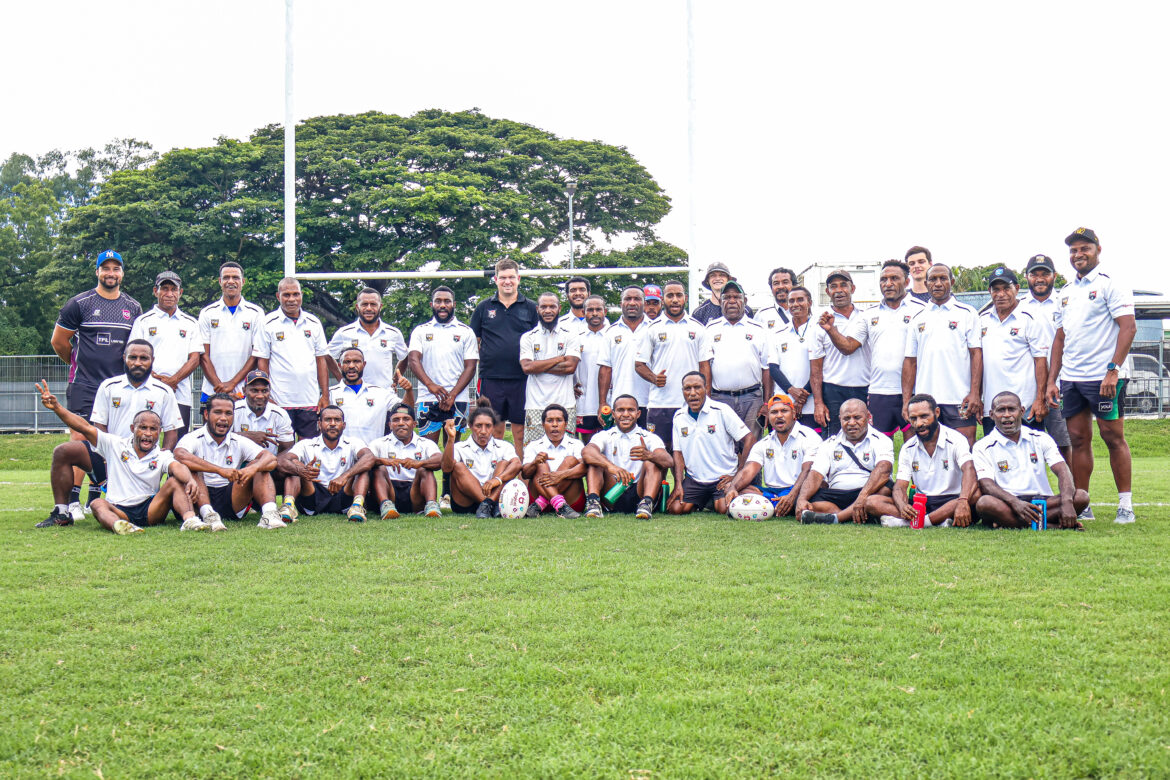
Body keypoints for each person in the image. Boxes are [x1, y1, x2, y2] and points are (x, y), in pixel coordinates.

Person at [1046, 227, 1137, 524]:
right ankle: (1083, 501)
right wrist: (1052, 381)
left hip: (1103, 378)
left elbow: (1128, 327)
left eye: (1084, 248)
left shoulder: (1112, 284)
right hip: (1071, 379)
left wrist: (1113, 370)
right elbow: (1060, 338)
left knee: (1113, 437)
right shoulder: (1066, 292)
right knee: (1078, 440)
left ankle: (1125, 505)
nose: (1078, 255)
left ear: (1098, 249)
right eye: (1073, 251)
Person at [35, 381, 203, 534]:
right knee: (97, 504)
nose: (147, 433)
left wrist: (189, 479)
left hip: (150, 509)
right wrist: (57, 408)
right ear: (132, 428)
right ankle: (122, 527)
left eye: (153, 429)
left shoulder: (161, 454)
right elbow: (84, 427)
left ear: (159, 432)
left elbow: (177, 467)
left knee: (174, 482)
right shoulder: (115, 444)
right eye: (142, 427)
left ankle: (190, 520)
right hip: (119, 509)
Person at [51, 249, 143, 512]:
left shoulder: (133, 307)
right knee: (80, 438)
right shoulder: (79, 304)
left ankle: (96, 495)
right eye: (106, 268)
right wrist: (79, 363)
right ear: (97, 272)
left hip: (118, 387)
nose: (110, 273)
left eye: (116, 269)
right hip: (85, 384)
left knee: (111, 439)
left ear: (122, 274)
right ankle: (72, 501)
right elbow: (58, 342)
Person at [973, 391, 1088, 530]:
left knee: (1081, 497)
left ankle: (1010, 523)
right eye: (1001, 410)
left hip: (1043, 502)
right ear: (991, 415)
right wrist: (1015, 503)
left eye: (1012, 409)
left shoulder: (1040, 438)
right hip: (1008, 503)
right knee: (985, 503)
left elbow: (1063, 470)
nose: (1007, 415)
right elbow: (986, 484)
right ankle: (1053, 526)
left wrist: (1067, 502)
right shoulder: (982, 446)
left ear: (1021, 411)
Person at [174, 393, 283, 530]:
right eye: (218, 412)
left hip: (231, 497)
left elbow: (271, 459)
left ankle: (270, 514)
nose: (223, 418)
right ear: (207, 415)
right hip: (198, 496)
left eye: (228, 413)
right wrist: (219, 470)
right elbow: (180, 455)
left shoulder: (238, 440)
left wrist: (252, 469)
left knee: (261, 467)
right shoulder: (193, 437)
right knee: (192, 468)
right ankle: (208, 515)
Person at [902, 263, 983, 446]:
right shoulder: (917, 317)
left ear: (951, 282)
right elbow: (910, 362)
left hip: (959, 398)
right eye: (933, 279)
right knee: (928, 450)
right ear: (926, 283)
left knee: (964, 449)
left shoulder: (967, 313)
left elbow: (976, 354)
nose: (938, 283)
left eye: (943, 278)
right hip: (926, 400)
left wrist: (975, 393)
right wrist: (907, 401)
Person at [869, 394, 977, 528]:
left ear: (936, 413)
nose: (919, 423)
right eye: (913, 418)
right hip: (921, 503)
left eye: (924, 416)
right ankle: (936, 521)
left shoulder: (956, 439)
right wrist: (902, 506)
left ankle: (921, 522)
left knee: (976, 494)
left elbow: (969, 469)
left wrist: (963, 500)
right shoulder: (908, 447)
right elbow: (900, 486)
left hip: (952, 499)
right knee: (872, 502)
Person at [470, 258, 538, 454]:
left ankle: (520, 480)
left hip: (523, 378)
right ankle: (494, 474)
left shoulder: (531, 307)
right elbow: (474, 339)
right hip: (491, 377)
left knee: (520, 430)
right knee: (494, 428)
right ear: (495, 279)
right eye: (503, 278)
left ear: (518, 279)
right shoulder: (484, 307)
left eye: (511, 277)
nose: (507, 281)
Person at [850, 260, 924, 437]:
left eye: (894, 278)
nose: (888, 284)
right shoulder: (869, 314)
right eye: (883, 279)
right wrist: (830, 330)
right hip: (879, 391)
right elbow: (849, 346)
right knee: (880, 448)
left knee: (916, 448)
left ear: (907, 282)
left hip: (915, 390)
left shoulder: (922, 311)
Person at [635, 279, 709, 451]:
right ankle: (661, 480)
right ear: (663, 300)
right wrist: (654, 378)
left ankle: (684, 480)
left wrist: (707, 396)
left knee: (691, 451)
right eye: (670, 296)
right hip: (660, 403)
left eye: (678, 295)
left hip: (692, 401)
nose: (674, 300)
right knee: (659, 453)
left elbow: (704, 365)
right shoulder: (651, 329)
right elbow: (639, 364)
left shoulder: (698, 328)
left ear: (685, 298)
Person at [667, 372, 755, 515]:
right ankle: (707, 500)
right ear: (682, 391)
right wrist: (678, 484)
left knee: (724, 508)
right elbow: (678, 453)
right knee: (675, 509)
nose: (692, 393)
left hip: (722, 477)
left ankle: (743, 491)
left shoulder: (721, 410)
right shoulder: (679, 417)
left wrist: (738, 473)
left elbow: (749, 438)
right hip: (695, 479)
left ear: (706, 388)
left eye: (697, 387)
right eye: (687, 389)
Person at [253, 277, 331, 439]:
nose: (291, 299)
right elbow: (262, 361)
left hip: (309, 400)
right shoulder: (267, 323)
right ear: (278, 296)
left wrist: (325, 395)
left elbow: (321, 360)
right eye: (286, 295)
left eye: (296, 294)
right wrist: (269, 395)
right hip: (280, 400)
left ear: (301, 295)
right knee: (281, 448)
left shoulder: (313, 322)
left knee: (309, 449)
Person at [796, 399, 894, 525]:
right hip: (837, 495)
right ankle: (857, 515)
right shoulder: (829, 444)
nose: (852, 423)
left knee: (887, 487)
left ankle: (838, 517)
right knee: (811, 498)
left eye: (857, 417)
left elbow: (884, 469)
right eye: (846, 418)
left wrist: (863, 496)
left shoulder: (882, 440)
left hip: (868, 492)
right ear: (840, 419)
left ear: (868, 417)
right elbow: (815, 475)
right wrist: (802, 499)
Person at [129, 270, 202, 437]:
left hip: (179, 393)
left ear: (180, 293)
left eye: (173, 289)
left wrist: (173, 381)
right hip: (147, 390)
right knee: (144, 438)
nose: (169, 294)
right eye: (164, 289)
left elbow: (195, 358)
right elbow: (134, 356)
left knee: (177, 442)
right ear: (156, 291)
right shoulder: (143, 321)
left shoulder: (191, 323)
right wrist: (156, 381)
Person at [726, 393, 820, 518]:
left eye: (784, 411)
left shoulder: (809, 436)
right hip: (771, 492)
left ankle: (779, 505)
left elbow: (808, 470)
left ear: (793, 414)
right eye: (774, 412)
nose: (779, 415)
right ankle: (778, 505)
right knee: (736, 488)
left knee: (811, 493)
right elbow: (747, 471)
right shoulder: (764, 443)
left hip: (798, 489)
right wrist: (733, 488)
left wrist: (791, 495)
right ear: (769, 417)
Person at [980, 267, 1049, 436]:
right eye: (996, 289)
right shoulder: (981, 320)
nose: (1001, 294)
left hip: (1025, 406)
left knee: (1029, 456)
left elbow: (1040, 361)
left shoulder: (1030, 318)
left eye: (1006, 288)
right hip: (992, 406)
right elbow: (977, 362)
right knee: (996, 458)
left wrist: (1040, 399)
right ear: (990, 291)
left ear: (1017, 289)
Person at [277, 405, 374, 523]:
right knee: (293, 467)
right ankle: (288, 506)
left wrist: (344, 476)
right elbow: (282, 461)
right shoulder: (305, 444)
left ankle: (357, 506)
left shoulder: (354, 442)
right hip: (312, 494)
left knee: (363, 467)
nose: (332, 424)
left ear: (344, 425)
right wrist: (301, 470)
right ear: (319, 424)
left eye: (337, 420)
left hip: (344, 494)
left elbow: (369, 457)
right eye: (328, 420)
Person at [582, 394, 672, 520]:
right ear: (613, 414)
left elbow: (668, 461)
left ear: (638, 413)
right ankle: (593, 503)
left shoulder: (648, 437)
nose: (625, 414)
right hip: (612, 491)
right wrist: (611, 467)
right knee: (595, 460)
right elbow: (587, 452)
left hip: (639, 490)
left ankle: (646, 504)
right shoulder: (604, 435)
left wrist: (649, 455)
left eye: (630, 410)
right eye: (620, 410)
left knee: (652, 461)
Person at [1017, 254, 1072, 462]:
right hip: (1029, 389)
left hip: (1062, 386)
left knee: (1065, 444)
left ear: (1054, 276)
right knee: (1030, 447)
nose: (1040, 279)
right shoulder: (1019, 306)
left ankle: (1071, 492)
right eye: (1034, 274)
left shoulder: (1065, 303)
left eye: (1045, 274)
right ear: (1027, 277)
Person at [703, 280, 771, 433]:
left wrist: (766, 403)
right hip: (720, 399)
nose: (732, 301)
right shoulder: (710, 329)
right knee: (723, 446)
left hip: (752, 399)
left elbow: (766, 368)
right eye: (726, 297)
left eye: (736, 297)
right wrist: (707, 400)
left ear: (744, 301)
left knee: (751, 446)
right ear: (720, 302)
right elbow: (705, 366)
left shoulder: (759, 329)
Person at [810, 269, 869, 437]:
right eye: (833, 286)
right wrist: (818, 403)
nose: (839, 290)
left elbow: (848, 348)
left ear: (853, 288)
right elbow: (815, 368)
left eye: (844, 285)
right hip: (833, 389)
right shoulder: (818, 322)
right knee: (834, 440)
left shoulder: (866, 317)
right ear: (827, 291)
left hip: (864, 387)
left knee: (865, 437)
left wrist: (831, 330)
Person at [92, 340, 184, 447]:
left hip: (149, 458)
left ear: (152, 360)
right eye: (132, 357)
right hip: (115, 456)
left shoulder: (164, 392)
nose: (137, 363)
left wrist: (162, 457)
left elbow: (171, 431)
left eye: (144, 358)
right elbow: (99, 425)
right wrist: (108, 454)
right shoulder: (108, 387)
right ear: (124, 358)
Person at [441, 401, 522, 518]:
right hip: (465, 503)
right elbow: (446, 468)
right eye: (478, 426)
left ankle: (487, 505)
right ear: (471, 426)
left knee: (505, 463)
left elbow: (517, 465)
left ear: (493, 427)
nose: (483, 431)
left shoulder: (504, 446)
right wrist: (450, 439)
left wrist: (498, 480)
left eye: (488, 426)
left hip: (494, 496)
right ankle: (489, 504)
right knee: (458, 466)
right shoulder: (459, 447)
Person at [198, 261, 265, 402]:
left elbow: (257, 354)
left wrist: (233, 383)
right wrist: (220, 387)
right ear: (220, 281)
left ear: (243, 282)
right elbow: (203, 355)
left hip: (244, 390)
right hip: (212, 389)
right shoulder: (207, 313)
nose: (231, 281)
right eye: (226, 277)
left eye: (235, 278)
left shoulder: (256, 313)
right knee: (211, 425)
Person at [519, 292, 580, 444]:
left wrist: (537, 365)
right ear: (537, 309)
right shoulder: (528, 337)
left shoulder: (570, 335)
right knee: (534, 453)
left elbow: (570, 367)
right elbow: (527, 367)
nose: (548, 311)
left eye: (552, 306)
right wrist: (559, 358)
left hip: (565, 404)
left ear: (559, 308)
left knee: (567, 453)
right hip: (535, 405)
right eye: (544, 307)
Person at [369, 403, 443, 519]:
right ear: (390, 425)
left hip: (415, 492)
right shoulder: (378, 443)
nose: (401, 423)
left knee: (425, 469)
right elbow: (365, 461)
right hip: (389, 490)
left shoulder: (426, 443)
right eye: (396, 420)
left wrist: (419, 463)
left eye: (406, 419)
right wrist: (383, 460)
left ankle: (431, 506)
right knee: (379, 468)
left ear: (414, 424)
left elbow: (440, 460)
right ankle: (386, 506)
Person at [326, 287, 409, 391]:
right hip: (354, 394)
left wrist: (395, 380)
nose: (369, 308)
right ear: (357, 307)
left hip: (384, 394)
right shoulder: (344, 333)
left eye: (373, 304)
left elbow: (405, 356)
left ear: (380, 306)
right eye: (364, 304)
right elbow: (327, 355)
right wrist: (341, 379)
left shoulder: (393, 333)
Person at [328, 347, 407, 446]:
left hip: (373, 455)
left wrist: (408, 391)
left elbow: (405, 410)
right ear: (340, 366)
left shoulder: (380, 393)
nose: (351, 366)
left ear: (364, 364)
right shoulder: (330, 394)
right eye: (347, 362)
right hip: (342, 456)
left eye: (356, 361)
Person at [598, 286, 653, 426]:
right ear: (621, 303)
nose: (632, 303)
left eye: (637, 299)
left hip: (651, 401)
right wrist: (603, 403)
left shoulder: (655, 329)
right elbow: (605, 369)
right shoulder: (610, 332)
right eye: (628, 299)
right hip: (620, 402)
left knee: (651, 445)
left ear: (644, 303)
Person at [521, 404, 586, 518]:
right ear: (543, 424)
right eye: (550, 421)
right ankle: (561, 506)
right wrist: (534, 463)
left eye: (559, 420)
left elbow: (585, 469)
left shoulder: (576, 444)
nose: (555, 425)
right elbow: (525, 474)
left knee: (570, 460)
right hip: (538, 494)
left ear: (566, 424)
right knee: (541, 463)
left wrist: (561, 475)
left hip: (569, 501)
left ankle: (543, 501)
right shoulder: (533, 445)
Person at [768, 286, 817, 429]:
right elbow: (773, 368)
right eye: (791, 301)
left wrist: (802, 397)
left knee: (811, 445)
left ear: (810, 303)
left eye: (800, 300)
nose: (795, 304)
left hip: (811, 402)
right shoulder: (778, 333)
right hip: (783, 402)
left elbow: (821, 368)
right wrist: (792, 391)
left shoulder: (819, 330)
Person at [232, 369, 295, 461]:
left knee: (292, 474)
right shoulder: (233, 410)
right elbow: (219, 438)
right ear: (244, 391)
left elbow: (287, 447)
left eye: (264, 391)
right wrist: (247, 436)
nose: (260, 396)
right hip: (236, 463)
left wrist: (269, 463)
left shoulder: (279, 414)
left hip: (268, 464)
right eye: (255, 390)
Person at [574, 294, 611, 441]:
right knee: (587, 443)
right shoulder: (576, 337)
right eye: (590, 310)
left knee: (608, 442)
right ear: (583, 312)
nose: (594, 313)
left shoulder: (614, 334)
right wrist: (570, 386)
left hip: (609, 399)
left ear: (605, 312)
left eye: (598, 309)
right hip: (584, 399)